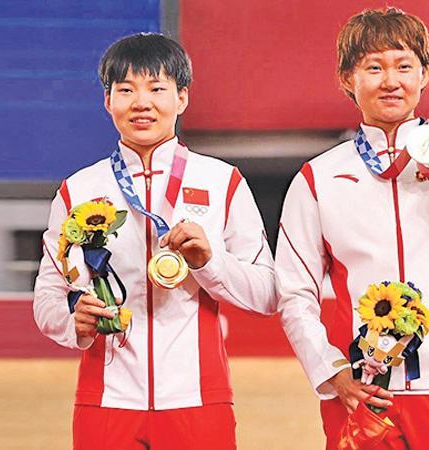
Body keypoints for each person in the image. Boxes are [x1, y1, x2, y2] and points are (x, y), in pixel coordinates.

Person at [276, 8, 429, 449]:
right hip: (362, 391)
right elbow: (294, 291)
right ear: (348, 78)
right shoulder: (317, 178)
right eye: (374, 67)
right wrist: (329, 371)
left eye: (404, 66)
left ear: (425, 76)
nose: (390, 81)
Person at [33, 33, 275, 450]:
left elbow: (268, 294)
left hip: (199, 400)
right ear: (108, 101)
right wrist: (75, 321)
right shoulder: (78, 189)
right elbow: (48, 299)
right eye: (126, 90)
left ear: (182, 98)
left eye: (157, 88)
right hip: (105, 402)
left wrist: (209, 262)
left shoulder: (222, 181)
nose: (141, 103)